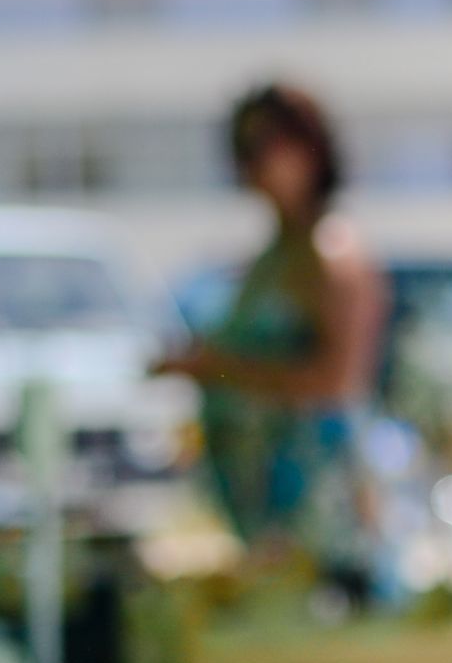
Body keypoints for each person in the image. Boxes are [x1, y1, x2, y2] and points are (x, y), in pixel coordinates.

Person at [160, 83, 383, 566]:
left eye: (269, 144)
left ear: (311, 147)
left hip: (318, 510)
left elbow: (337, 381)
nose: (256, 163)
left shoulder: (330, 253)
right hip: (266, 512)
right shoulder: (275, 256)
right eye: (244, 148)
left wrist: (216, 369)